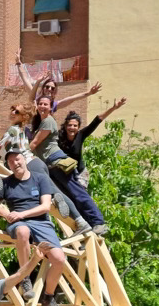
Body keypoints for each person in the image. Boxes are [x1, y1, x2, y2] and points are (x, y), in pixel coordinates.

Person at [0, 147, 73, 306]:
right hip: (18, 224)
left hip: (40, 222)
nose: (15, 163)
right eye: (10, 162)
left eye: (17, 159)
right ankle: (25, 279)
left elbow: (45, 206)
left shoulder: (40, 179)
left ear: (24, 159)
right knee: (23, 231)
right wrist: (6, 213)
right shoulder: (6, 183)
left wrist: (21, 214)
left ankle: (48, 298)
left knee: (59, 259)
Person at [0, 100, 92, 237]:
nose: (12, 112)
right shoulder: (21, 130)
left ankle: (80, 222)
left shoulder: (13, 130)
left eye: (17, 111)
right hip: (36, 163)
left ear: (24, 117)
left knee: (53, 192)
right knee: (54, 192)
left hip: (30, 165)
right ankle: (67, 212)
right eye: (12, 109)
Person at [30, 95, 107, 235]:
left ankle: (98, 222)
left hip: (58, 162)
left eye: (45, 104)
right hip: (51, 166)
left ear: (50, 107)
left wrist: (21, 156)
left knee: (78, 194)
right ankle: (86, 227)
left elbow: (34, 144)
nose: (42, 106)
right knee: (70, 198)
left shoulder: (48, 121)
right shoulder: (41, 123)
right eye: (40, 104)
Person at [57, 97, 127, 188]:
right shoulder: (59, 137)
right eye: (70, 125)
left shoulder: (81, 135)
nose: (72, 128)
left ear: (78, 127)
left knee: (80, 196)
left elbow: (97, 120)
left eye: (75, 125)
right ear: (65, 126)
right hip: (64, 173)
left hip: (79, 173)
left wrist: (113, 108)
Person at [14, 48, 102, 114]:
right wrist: (18, 63)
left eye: (52, 88)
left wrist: (89, 93)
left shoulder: (54, 105)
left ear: (54, 91)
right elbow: (25, 78)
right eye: (47, 87)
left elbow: (73, 98)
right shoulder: (35, 98)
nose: (49, 89)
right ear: (43, 88)